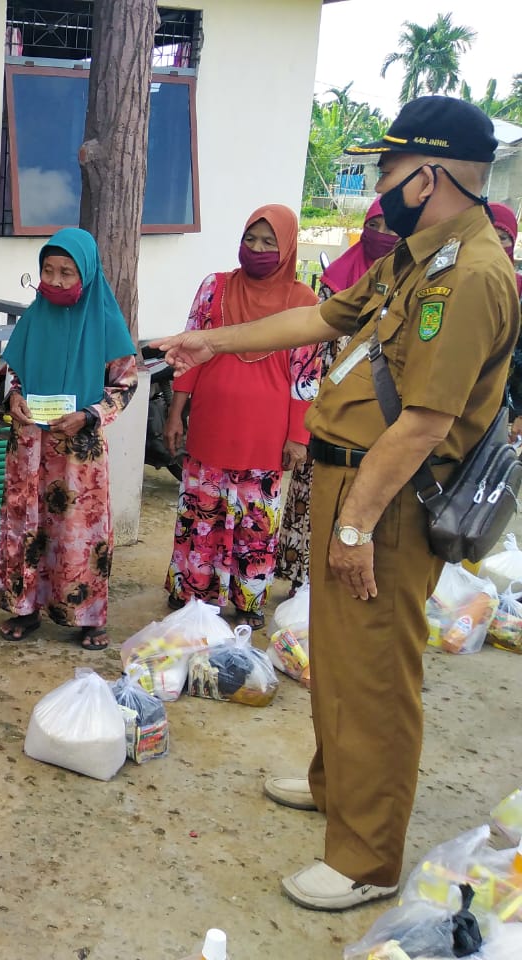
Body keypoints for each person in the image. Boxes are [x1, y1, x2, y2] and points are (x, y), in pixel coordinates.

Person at [154, 96, 519, 911]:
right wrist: (208, 339)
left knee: (377, 677)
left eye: (387, 168)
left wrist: (355, 522)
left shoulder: (469, 276)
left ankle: (366, 860)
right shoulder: (418, 256)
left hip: (384, 500)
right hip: (347, 482)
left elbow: (425, 421)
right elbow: (321, 316)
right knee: (339, 655)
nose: (375, 184)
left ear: (429, 176)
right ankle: (335, 787)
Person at [162, 204, 321, 629]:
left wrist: (297, 437)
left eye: (269, 242)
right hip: (212, 423)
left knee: (255, 520)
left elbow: (306, 377)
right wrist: (176, 412)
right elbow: (188, 355)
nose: (257, 249)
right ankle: (192, 593)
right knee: (202, 512)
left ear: (287, 247)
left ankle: (247, 600)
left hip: (266, 433)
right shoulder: (214, 288)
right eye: (251, 239)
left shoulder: (302, 301)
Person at [0, 228, 138, 650]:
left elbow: (125, 383)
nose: (54, 281)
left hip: (79, 451)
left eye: (67, 273)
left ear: (87, 274)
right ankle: (24, 608)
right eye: (48, 271)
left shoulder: (107, 321)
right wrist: (14, 396)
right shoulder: (34, 316)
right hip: (29, 447)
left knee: (79, 531)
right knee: (26, 526)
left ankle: (88, 617)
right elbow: (11, 372)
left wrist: (89, 415)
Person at [275, 200, 398, 592]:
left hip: (384, 420)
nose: (384, 234)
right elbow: (312, 355)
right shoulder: (335, 282)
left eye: (391, 226)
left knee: (366, 502)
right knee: (316, 496)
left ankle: (354, 582)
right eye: (375, 224)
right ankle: (303, 583)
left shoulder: (409, 286)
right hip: (329, 414)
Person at [489, 203, 522, 438]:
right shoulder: (456, 283)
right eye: (487, 234)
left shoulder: (519, 289)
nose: (493, 244)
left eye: (502, 237)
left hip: (505, 406)